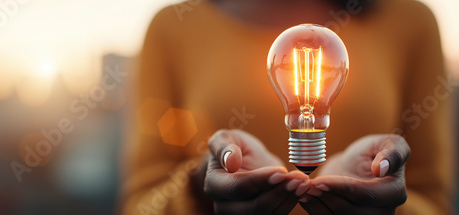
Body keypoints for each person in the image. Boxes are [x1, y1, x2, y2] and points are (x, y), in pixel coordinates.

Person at [121, 0, 455, 214]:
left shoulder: (409, 20)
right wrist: (199, 191)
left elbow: (434, 201)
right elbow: (140, 205)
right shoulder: (173, 26)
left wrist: (385, 204)